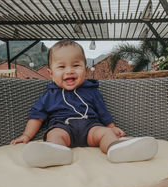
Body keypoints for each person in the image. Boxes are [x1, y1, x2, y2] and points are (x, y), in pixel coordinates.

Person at [11, 40, 158, 167]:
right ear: (51, 74)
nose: (69, 71)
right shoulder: (49, 95)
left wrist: (112, 127)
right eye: (61, 67)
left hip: (90, 127)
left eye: (76, 65)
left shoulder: (91, 91)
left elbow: (103, 112)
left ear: (86, 70)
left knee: (105, 133)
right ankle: (55, 152)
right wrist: (26, 135)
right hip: (63, 126)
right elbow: (37, 116)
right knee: (54, 135)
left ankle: (117, 149)